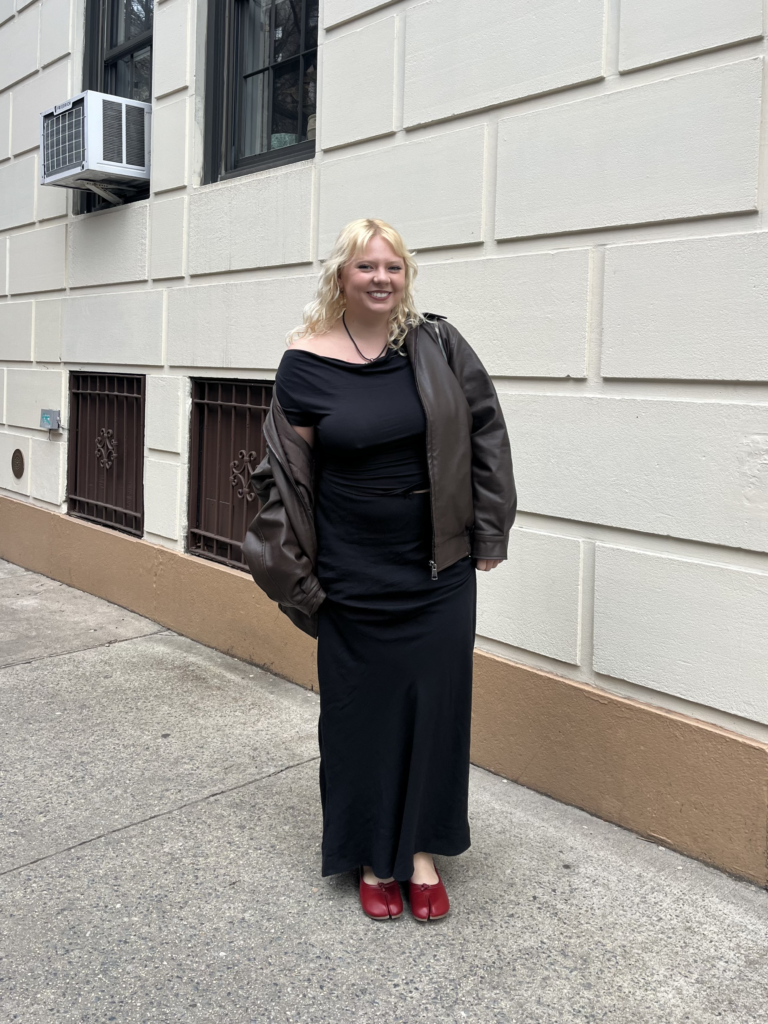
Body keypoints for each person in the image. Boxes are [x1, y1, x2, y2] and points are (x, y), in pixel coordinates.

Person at [243, 218, 516, 922]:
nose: (382, 279)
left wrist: (489, 528)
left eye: (393, 267)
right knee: (360, 714)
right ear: (341, 275)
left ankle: (420, 851)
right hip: (352, 569)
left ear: (407, 276)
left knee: (435, 708)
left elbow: (485, 431)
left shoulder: (437, 344)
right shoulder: (302, 361)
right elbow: (288, 475)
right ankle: (371, 854)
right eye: (367, 267)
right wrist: (301, 573)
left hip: (436, 564)